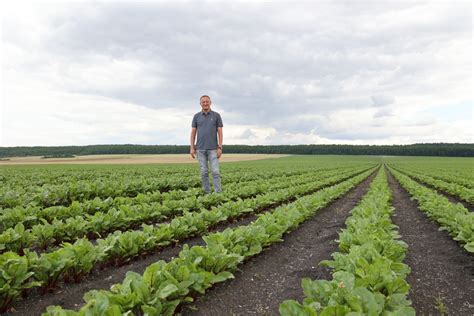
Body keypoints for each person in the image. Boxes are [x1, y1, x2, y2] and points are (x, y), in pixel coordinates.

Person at [190, 95, 223, 193]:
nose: (205, 103)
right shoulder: (196, 116)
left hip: (213, 149)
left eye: (207, 102)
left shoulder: (216, 116)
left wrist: (220, 147)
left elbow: (220, 132)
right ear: (200, 104)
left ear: (210, 102)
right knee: (204, 173)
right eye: (203, 102)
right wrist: (192, 147)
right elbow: (193, 133)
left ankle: (218, 194)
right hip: (200, 149)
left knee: (215, 172)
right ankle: (207, 194)